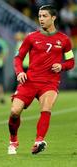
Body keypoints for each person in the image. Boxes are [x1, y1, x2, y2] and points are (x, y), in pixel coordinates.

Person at [7, 5, 75, 155]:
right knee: (14, 112)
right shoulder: (31, 37)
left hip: (50, 82)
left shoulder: (64, 40)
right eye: (39, 16)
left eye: (44, 16)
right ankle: (13, 140)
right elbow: (18, 57)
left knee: (46, 109)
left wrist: (61, 66)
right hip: (30, 80)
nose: (41, 19)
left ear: (53, 18)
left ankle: (39, 141)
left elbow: (71, 62)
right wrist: (19, 72)